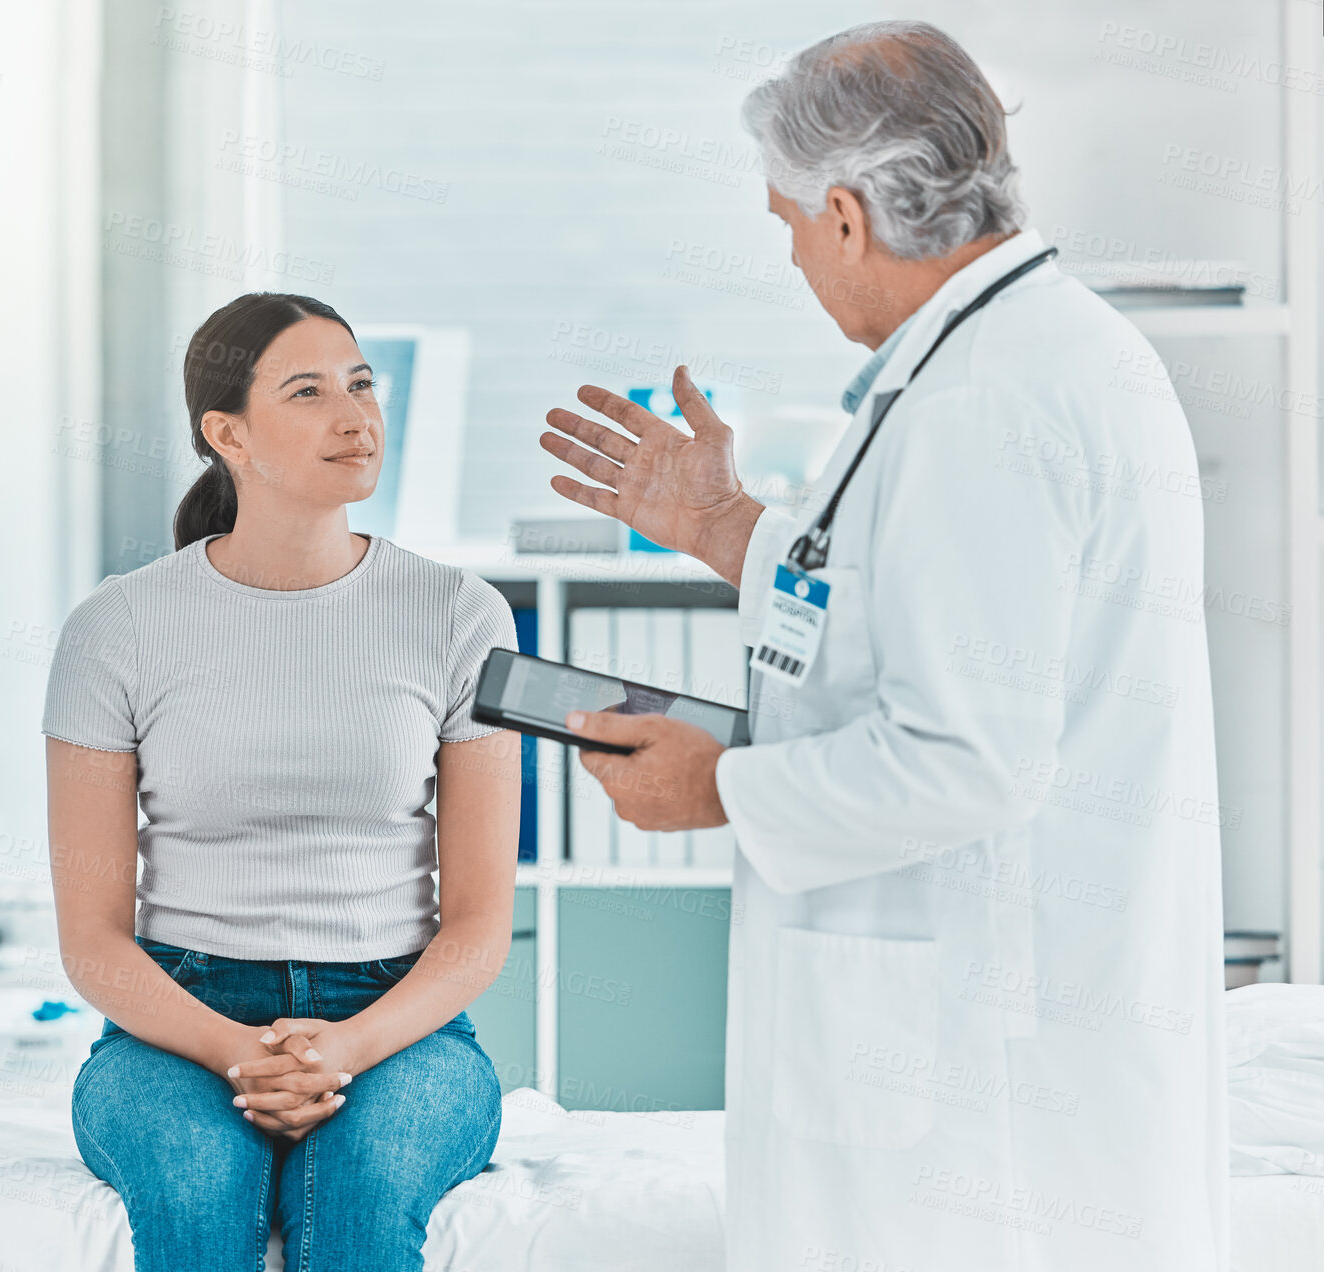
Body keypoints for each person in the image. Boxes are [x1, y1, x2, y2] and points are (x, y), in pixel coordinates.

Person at [539, 21, 1226, 1272]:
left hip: (974, 1083)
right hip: (980, 1032)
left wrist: (715, 787)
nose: (797, 258)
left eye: (788, 225)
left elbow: (966, 759)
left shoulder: (983, 403)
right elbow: (914, 622)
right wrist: (720, 526)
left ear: (845, 216)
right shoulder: (1016, 357)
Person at [43, 292, 521, 1272]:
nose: (355, 418)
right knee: (191, 1182)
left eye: (361, 386)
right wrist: (235, 1050)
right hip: (176, 1018)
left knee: (366, 1184)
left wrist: (345, 1048)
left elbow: (476, 925)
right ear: (227, 434)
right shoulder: (118, 628)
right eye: (308, 392)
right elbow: (92, 939)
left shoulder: (457, 614)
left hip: (398, 1020)